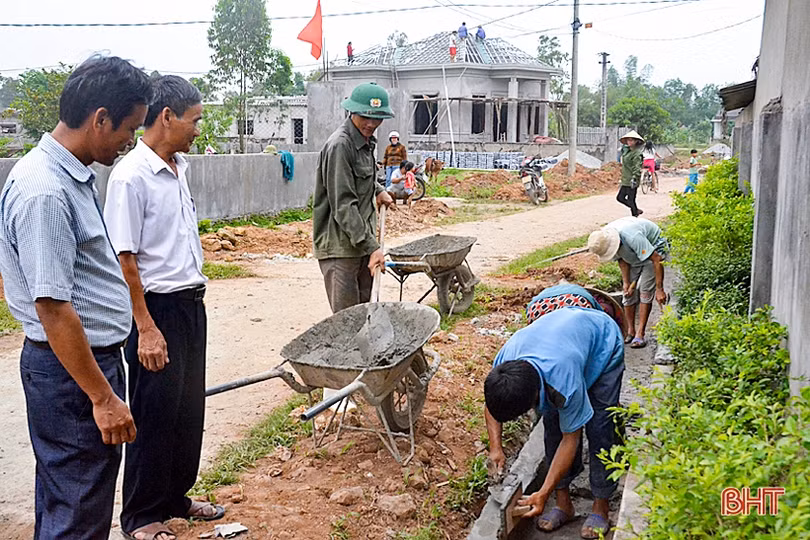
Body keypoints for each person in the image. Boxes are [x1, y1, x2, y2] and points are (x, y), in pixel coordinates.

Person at [0, 56, 152, 539]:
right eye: (128, 128)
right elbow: (52, 308)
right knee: (78, 510)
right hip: (73, 377)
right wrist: (103, 397)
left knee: (71, 497)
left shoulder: (69, 176)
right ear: (100, 118)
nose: (130, 140)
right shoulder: (45, 191)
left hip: (80, 370)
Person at [104, 76, 225, 540]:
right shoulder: (131, 176)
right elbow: (126, 258)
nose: (198, 128)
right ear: (167, 116)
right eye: (193, 120)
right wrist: (146, 327)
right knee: (154, 414)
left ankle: (176, 496)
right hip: (157, 310)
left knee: (187, 410)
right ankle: (140, 515)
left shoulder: (179, 168)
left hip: (191, 305)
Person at [484, 285, 625, 540]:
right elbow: (491, 406)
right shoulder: (505, 363)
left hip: (603, 347)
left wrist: (543, 491)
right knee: (552, 428)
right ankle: (564, 505)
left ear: (533, 399)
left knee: (600, 427)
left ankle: (601, 506)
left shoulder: (562, 382)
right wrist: (496, 447)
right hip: (565, 342)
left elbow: (571, 438)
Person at [313, 81, 396, 314]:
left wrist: (379, 190)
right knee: (347, 322)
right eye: (365, 117)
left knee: (365, 316)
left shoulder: (366, 142)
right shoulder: (340, 145)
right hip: (341, 248)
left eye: (377, 118)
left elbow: (364, 179)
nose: (371, 124)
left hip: (360, 244)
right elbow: (344, 206)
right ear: (352, 112)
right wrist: (373, 247)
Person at [588, 217, 668, 349]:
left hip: (654, 249)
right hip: (635, 254)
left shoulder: (632, 236)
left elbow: (656, 259)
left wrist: (660, 289)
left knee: (645, 291)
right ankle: (630, 331)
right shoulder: (604, 240)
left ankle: (640, 333)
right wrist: (626, 282)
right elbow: (622, 260)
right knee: (628, 294)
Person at [616, 130, 644, 217]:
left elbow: (637, 167)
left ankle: (634, 215)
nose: (629, 142)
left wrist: (635, 177)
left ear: (636, 141)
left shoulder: (637, 153)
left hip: (632, 179)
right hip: (625, 179)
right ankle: (635, 210)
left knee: (631, 199)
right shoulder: (627, 152)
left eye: (631, 140)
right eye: (628, 140)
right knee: (620, 198)